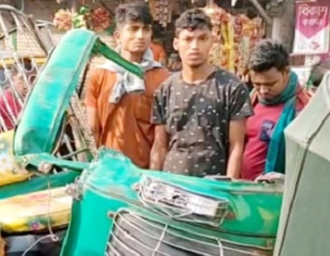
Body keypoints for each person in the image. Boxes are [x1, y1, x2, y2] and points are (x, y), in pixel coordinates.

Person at [151, 9, 253, 178]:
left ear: (212, 41)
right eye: (188, 39)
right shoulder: (165, 90)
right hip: (172, 184)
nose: (195, 47)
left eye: (202, 39)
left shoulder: (231, 87)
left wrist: (229, 188)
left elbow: (237, 146)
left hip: (213, 185)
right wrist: (152, 182)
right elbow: (159, 145)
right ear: (176, 44)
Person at [85, 2, 170, 169]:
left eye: (146, 29)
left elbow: (161, 140)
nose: (140, 35)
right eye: (133, 29)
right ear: (118, 36)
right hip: (106, 170)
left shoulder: (162, 77)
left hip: (144, 172)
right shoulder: (99, 75)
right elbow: (92, 130)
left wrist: (152, 178)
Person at [241, 40, 311, 181]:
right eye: (257, 84)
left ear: (286, 72)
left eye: (270, 84)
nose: (263, 90)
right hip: (243, 189)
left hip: (275, 194)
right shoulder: (250, 100)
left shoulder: (303, 109)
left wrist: (285, 179)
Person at [0, 59, 37, 130]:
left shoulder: (37, 98)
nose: (28, 83)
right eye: (22, 78)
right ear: (13, 78)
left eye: (32, 78)